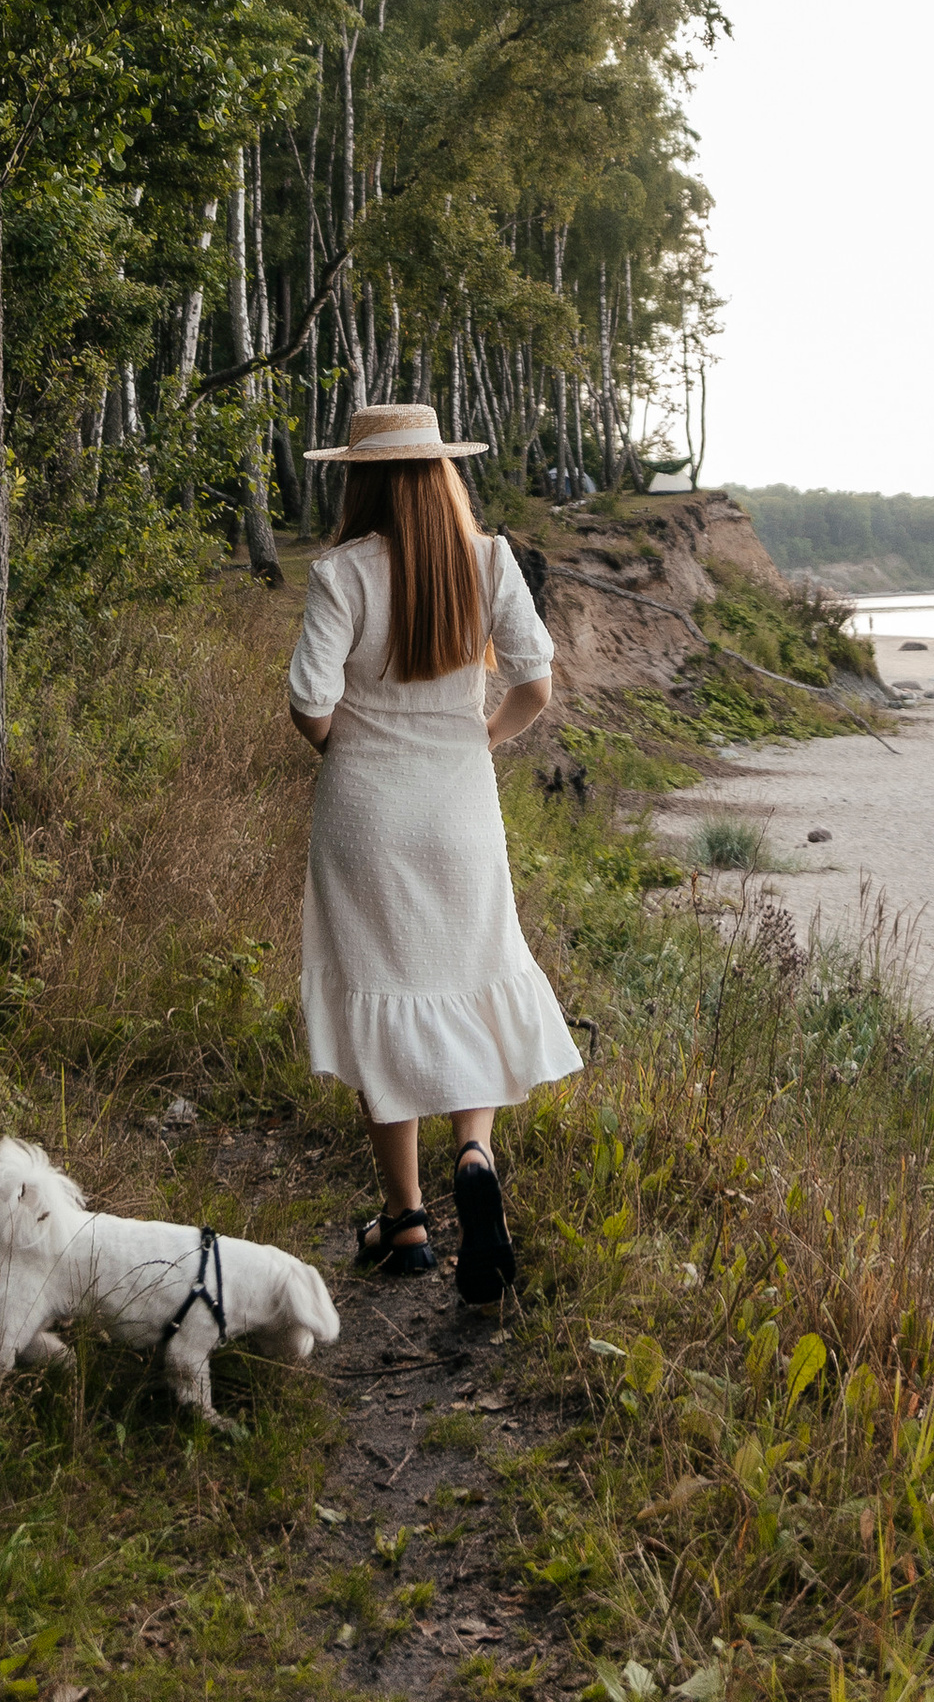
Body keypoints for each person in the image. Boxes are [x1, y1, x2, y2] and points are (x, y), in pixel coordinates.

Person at [286, 402, 583, 1299]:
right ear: (443, 473)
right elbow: (534, 683)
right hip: (461, 811)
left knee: (382, 993)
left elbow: (309, 703)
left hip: (365, 815)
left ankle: (407, 1222)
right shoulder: (489, 561)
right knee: (469, 973)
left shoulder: (341, 572)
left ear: (361, 476)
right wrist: (481, 738)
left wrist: (347, 747)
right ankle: (475, 1153)